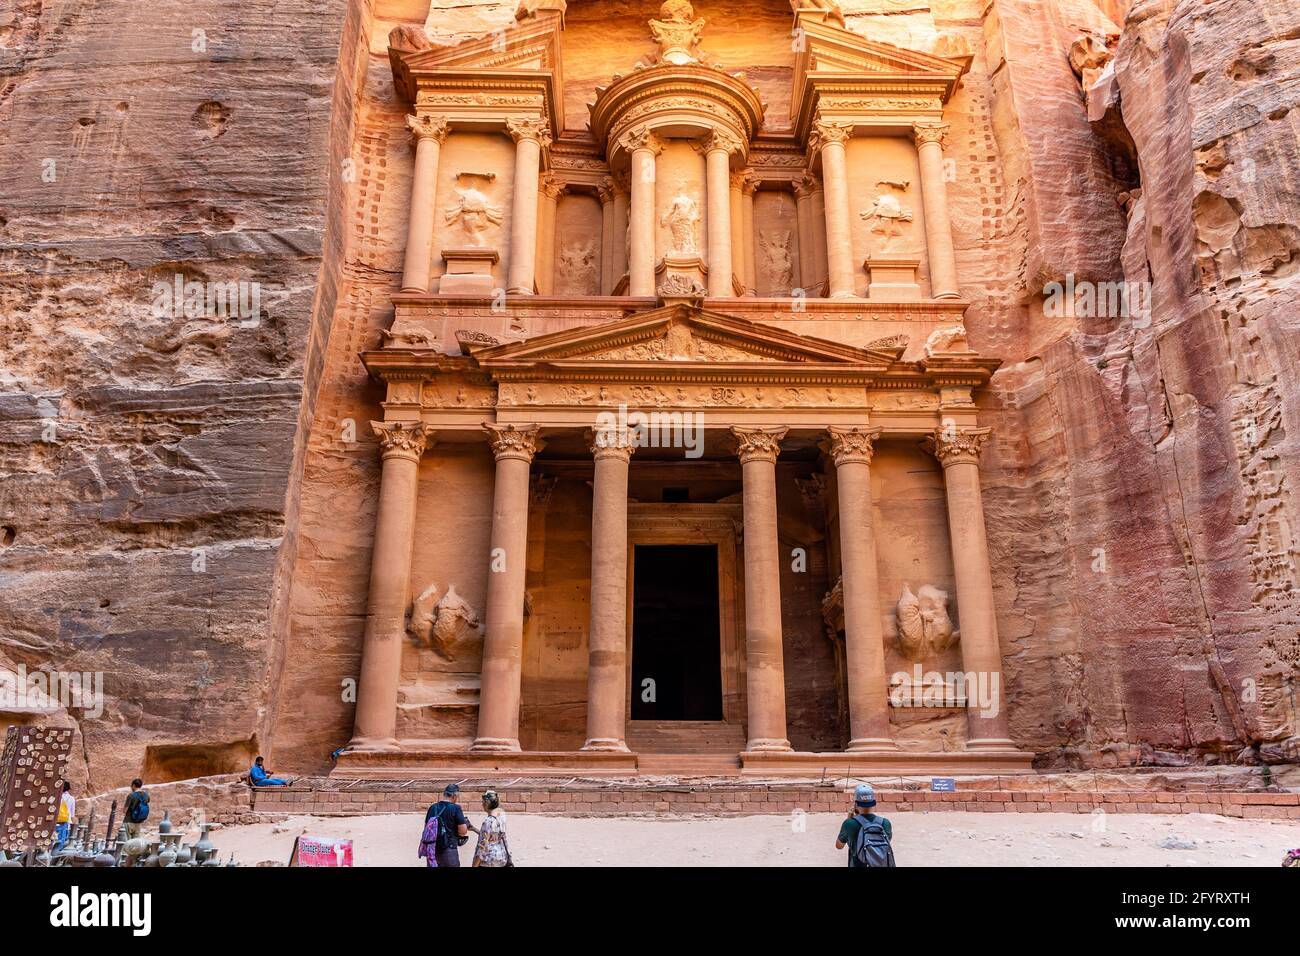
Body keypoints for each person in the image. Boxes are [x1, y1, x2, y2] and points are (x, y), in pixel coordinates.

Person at [835, 783, 895, 867]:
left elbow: (839, 845)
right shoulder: (885, 823)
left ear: (856, 804)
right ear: (873, 802)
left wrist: (849, 820)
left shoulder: (849, 824)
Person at [424, 783, 472, 868]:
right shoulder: (455, 808)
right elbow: (463, 831)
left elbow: (426, 828)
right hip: (449, 848)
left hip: (433, 849)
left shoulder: (433, 807)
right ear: (454, 796)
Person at [472, 789, 511, 868]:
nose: (482, 805)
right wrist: (473, 829)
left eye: (483, 802)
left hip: (489, 861)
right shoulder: (502, 816)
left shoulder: (488, 821)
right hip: (501, 857)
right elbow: (493, 837)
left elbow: (483, 847)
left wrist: (475, 864)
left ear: (486, 804)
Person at [52, 782, 75, 852]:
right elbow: (72, 813)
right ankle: (58, 852)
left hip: (55, 819)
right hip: (65, 820)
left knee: (53, 836)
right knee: (62, 837)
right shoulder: (71, 798)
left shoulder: (56, 796)